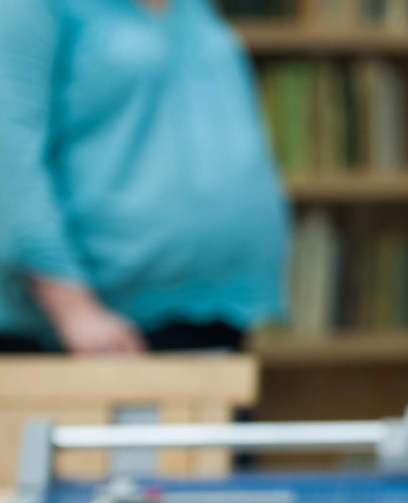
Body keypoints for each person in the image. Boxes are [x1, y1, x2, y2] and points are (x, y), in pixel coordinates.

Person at [0, 0, 289, 354]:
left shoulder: (192, 9)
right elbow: (11, 164)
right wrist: (74, 310)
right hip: (101, 324)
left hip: (219, 306)